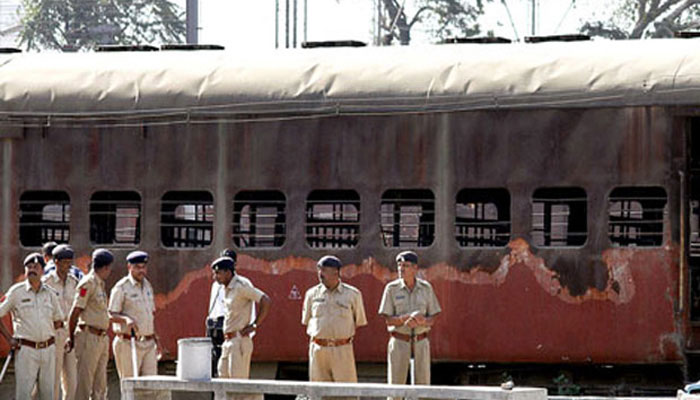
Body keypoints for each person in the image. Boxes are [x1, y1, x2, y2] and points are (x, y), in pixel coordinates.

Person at [0, 253, 64, 400]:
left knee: (48, 394)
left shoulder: (50, 294)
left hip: (48, 350)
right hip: (26, 351)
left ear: (42, 271)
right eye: (29, 267)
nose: (32, 270)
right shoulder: (17, 292)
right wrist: (9, 339)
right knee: (24, 394)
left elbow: (59, 319)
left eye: (36, 267)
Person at [378, 251, 441, 392]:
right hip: (399, 342)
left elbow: (433, 317)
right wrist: (403, 319)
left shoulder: (426, 288)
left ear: (415, 268)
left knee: (423, 387)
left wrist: (422, 321)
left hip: (421, 342)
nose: (401, 269)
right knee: (395, 388)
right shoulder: (391, 289)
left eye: (405, 265)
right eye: (399, 265)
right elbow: (387, 320)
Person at [302, 255, 367, 383]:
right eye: (319, 270)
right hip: (318, 349)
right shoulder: (311, 294)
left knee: (346, 392)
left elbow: (358, 321)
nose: (320, 274)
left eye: (324, 270)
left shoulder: (353, 294)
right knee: (319, 390)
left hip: (342, 349)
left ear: (336, 272)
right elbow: (307, 320)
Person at [212, 255, 271, 382]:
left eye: (218, 273)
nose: (215, 277)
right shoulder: (226, 288)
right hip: (228, 341)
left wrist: (255, 325)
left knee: (237, 386)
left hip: (239, 341)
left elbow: (265, 300)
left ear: (228, 272)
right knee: (223, 381)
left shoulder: (241, 286)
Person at [109, 250, 164, 382]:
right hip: (128, 343)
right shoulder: (121, 287)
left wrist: (157, 339)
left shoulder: (147, 286)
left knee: (151, 386)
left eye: (144, 267)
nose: (141, 271)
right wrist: (125, 319)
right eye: (137, 267)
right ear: (129, 267)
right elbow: (110, 314)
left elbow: (150, 315)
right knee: (130, 385)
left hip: (149, 344)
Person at [66, 249, 113, 400]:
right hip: (88, 337)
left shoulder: (99, 284)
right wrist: (71, 337)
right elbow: (75, 312)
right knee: (84, 383)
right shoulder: (88, 283)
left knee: (100, 384)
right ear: (105, 267)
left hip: (101, 337)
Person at [41, 245, 79, 400]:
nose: (68, 266)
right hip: (53, 333)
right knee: (54, 378)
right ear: (56, 262)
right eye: (64, 262)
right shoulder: (46, 283)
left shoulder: (74, 281)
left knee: (72, 380)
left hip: (70, 332)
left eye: (70, 262)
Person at [206, 249, 235, 377]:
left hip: (228, 325)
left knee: (227, 364)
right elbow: (213, 306)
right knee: (214, 362)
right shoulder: (216, 285)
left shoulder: (240, 284)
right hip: (215, 327)